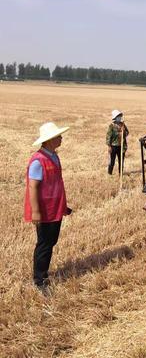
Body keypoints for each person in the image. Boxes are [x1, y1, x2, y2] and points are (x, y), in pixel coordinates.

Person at [24, 122, 72, 292]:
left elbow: (57, 183)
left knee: (51, 241)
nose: (61, 138)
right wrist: (36, 212)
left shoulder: (54, 156)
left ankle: (43, 274)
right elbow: (33, 187)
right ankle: (39, 280)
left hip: (55, 207)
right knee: (44, 244)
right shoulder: (38, 161)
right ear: (49, 140)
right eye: (58, 136)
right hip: (44, 209)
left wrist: (63, 206)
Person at [106, 110, 129, 175]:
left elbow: (127, 132)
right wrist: (109, 146)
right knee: (112, 161)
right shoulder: (112, 125)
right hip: (113, 146)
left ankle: (120, 173)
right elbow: (108, 136)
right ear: (115, 117)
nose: (119, 117)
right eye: (118, 116)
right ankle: (109, 173)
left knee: (121, 161)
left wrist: (123, 132)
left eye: (120, 116)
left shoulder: (123, 124)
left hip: (122, 146)